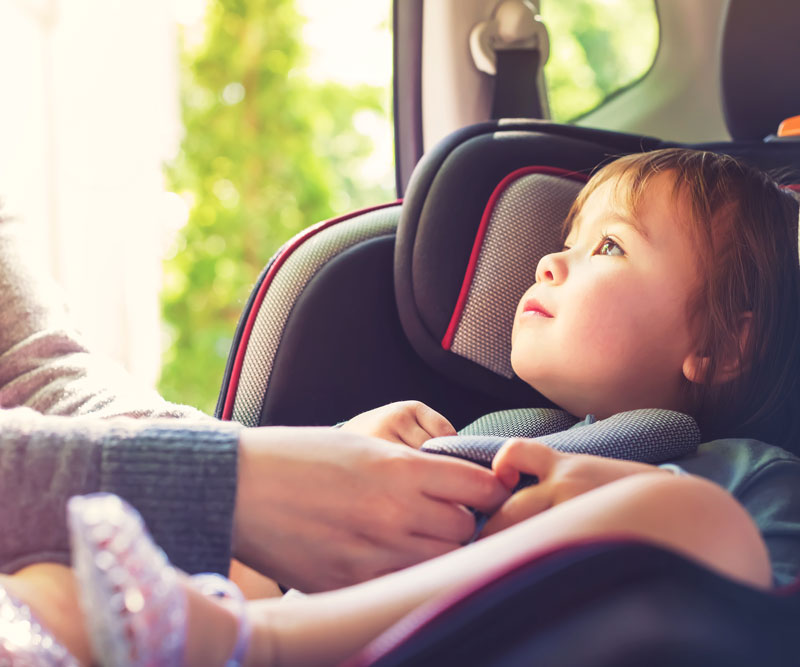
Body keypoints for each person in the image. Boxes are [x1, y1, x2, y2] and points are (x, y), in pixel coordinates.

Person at [3, 147, 800, 665]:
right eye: (567, 239)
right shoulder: (485, 434)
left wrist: (614, 508)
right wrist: (360, 454)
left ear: (722, 346)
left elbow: (771, 609)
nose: (551, 262)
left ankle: (249, 642)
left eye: (609, 247)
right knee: (51, 581)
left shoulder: (746, 473)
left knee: (700, 522)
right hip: (348, 620)